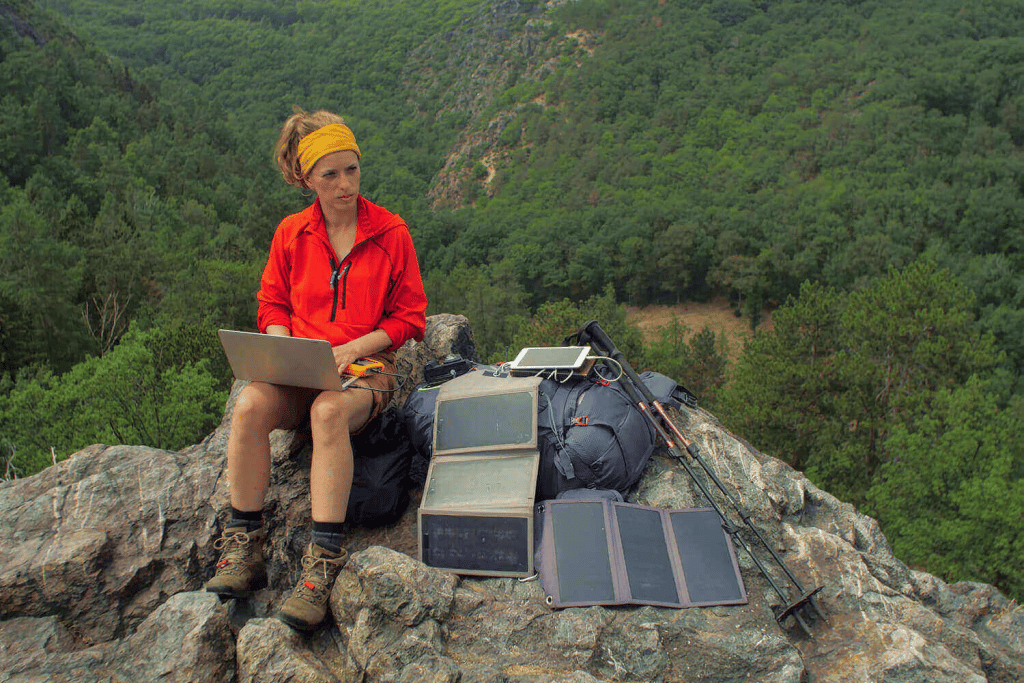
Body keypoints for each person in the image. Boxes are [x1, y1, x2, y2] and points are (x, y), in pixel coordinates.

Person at [205, 109, 428, 632]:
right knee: (251, 405)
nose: (345, 184)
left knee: (328, 413)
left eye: (351, 170)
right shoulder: (292, 232)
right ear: (308, 179)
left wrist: (351, 348)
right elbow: (272, 304)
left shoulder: (391, 232)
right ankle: (244, 548)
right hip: (300, 366)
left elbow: (409, 318)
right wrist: (282, 348)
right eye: (331, 174)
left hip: (365, 368)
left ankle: (322, 563)